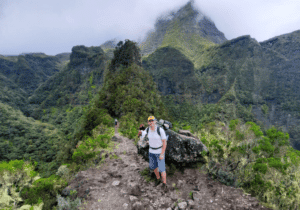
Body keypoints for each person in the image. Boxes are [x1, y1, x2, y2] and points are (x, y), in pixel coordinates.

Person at [140, 116, 168, 191]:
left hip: (159, 152)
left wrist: (162, 153)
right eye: (149, 121)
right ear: (148, 122)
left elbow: (164, 142)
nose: (151, 122)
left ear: (155, 121)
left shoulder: (160, 130)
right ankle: (158, 179)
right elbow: (143, 136)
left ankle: (164, 183)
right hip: (151, 151)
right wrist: (141, 133)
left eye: (152, 121)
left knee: (162, 169)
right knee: (154, 167)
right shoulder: (147, 129)